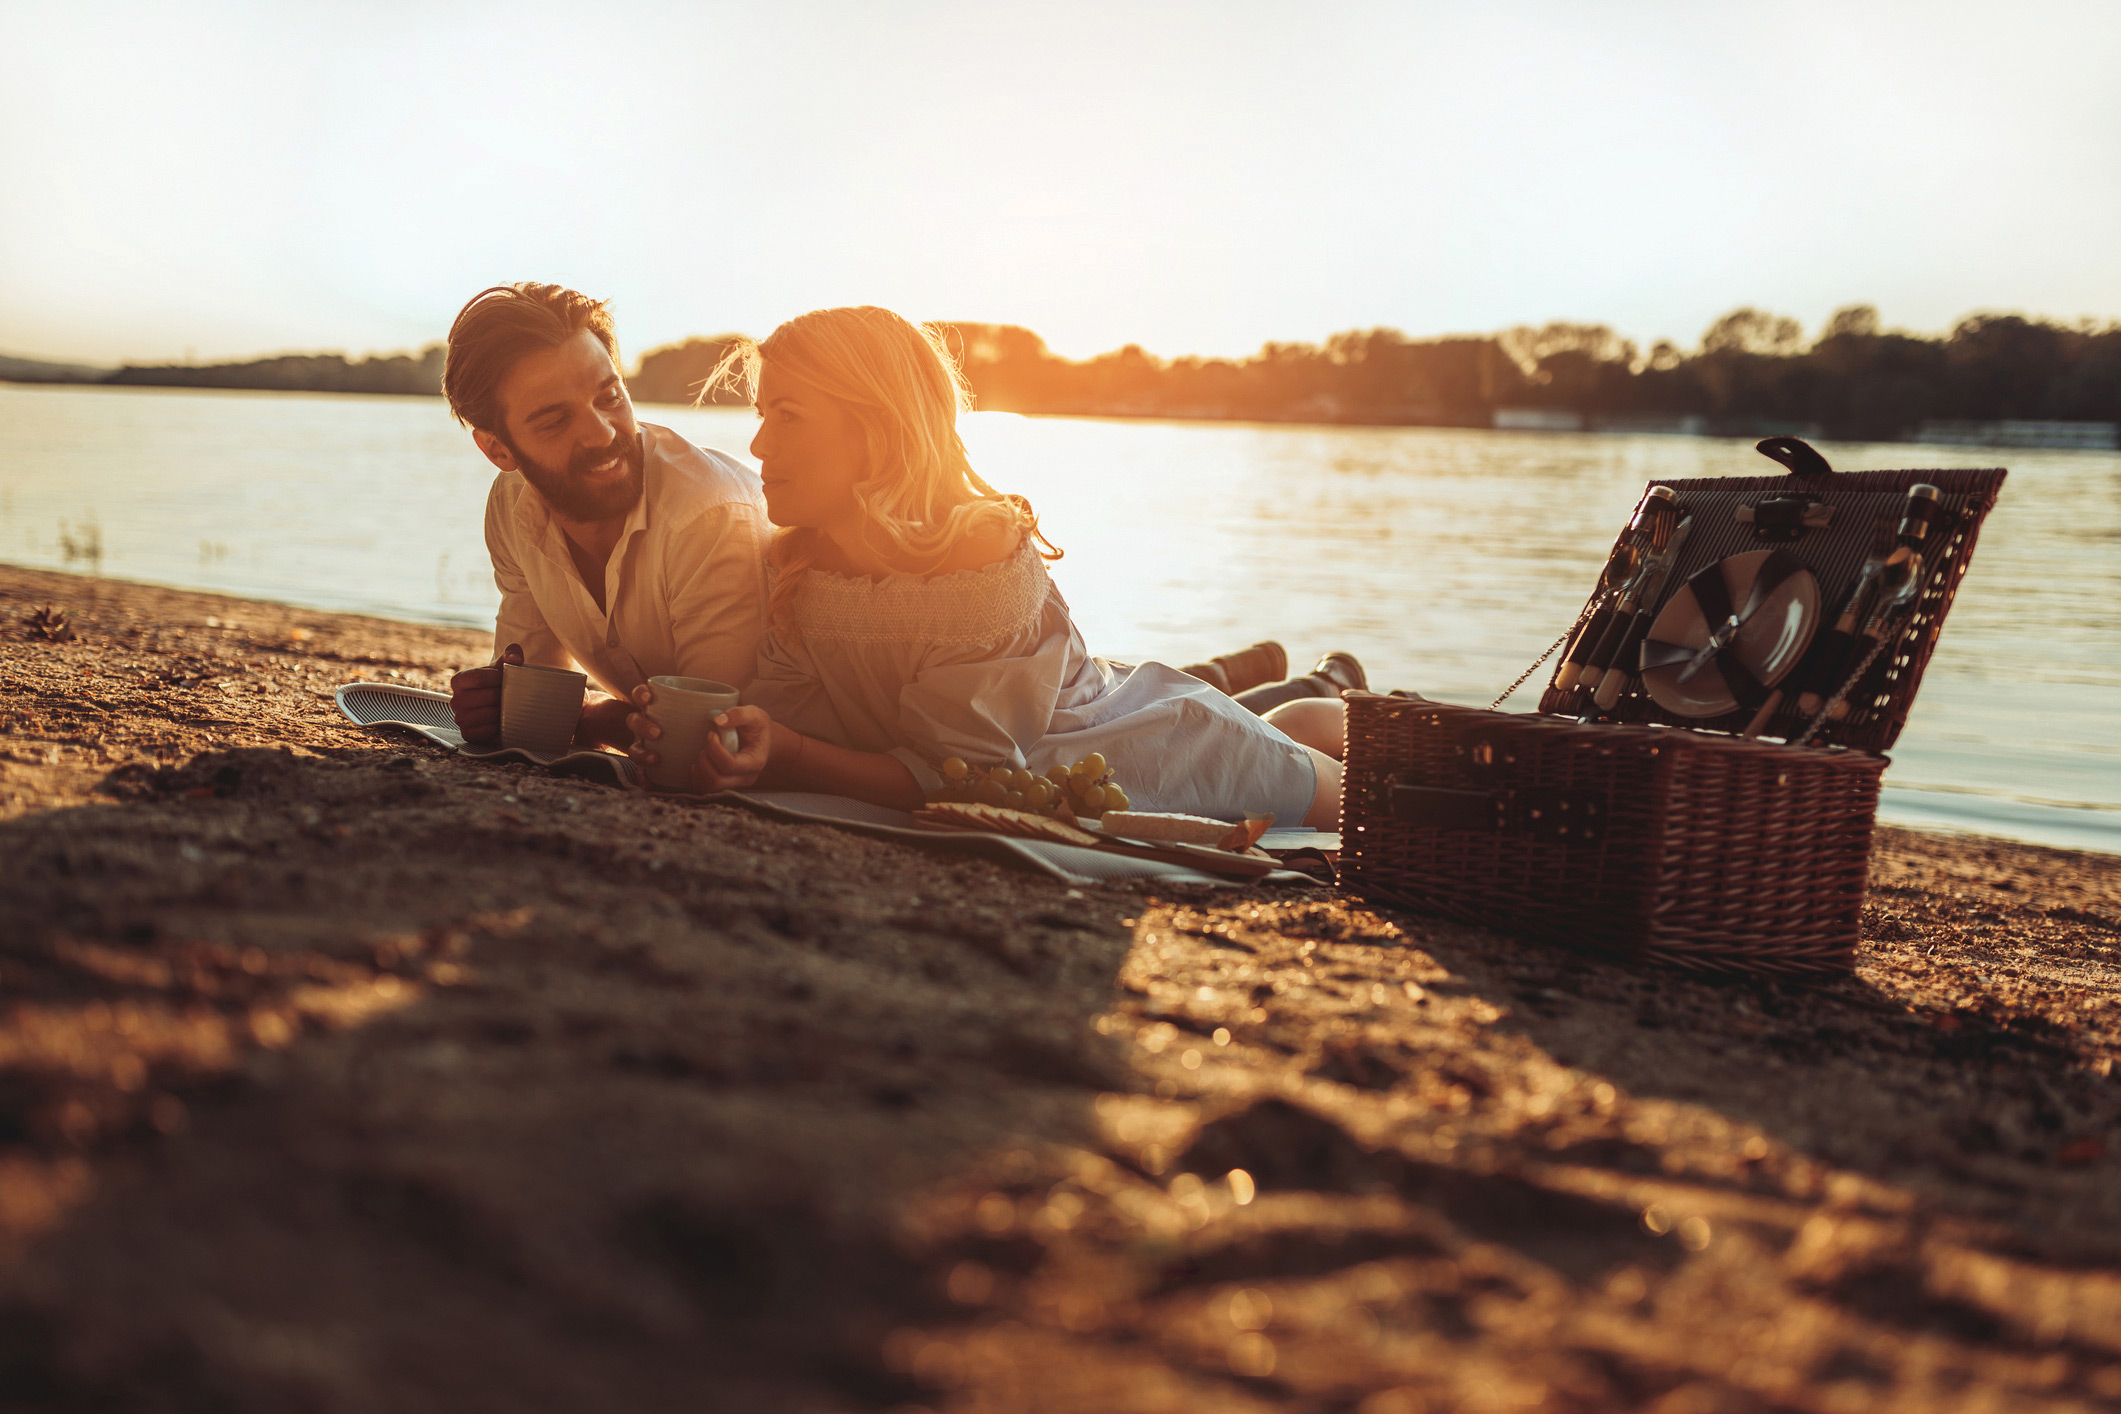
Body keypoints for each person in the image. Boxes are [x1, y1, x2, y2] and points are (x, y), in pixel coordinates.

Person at [624, 305, 1350, 829]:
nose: (757, 448)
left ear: (875, 431)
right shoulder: (801, 563)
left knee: (1346, 802)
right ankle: (1317, 702)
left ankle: (1338, 710)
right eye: (760, 415)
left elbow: (956, 780)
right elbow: (794, 726)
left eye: (786, 414)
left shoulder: (976, 559)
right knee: (1294, 726)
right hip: (1071, 737)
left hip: (1157, 754)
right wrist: (731, 743)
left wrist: (783, 747)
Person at [440, 283, 770, 748]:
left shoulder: (708, 515)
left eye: (610, 398)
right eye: (555, 421)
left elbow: (702, 740)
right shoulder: (513, 506)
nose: (601, 434)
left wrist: (586, 716)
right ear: (497, 448)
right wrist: (498, 706)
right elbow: (534, 701)